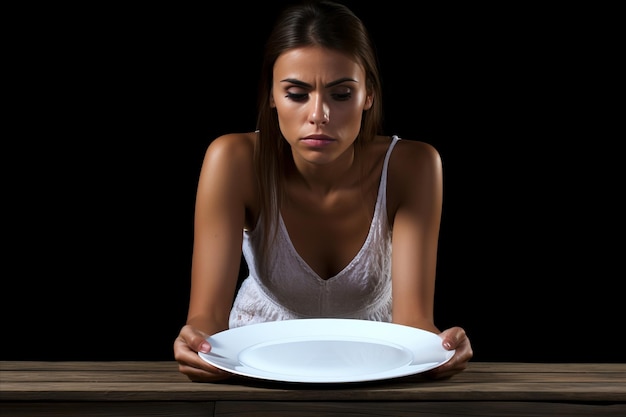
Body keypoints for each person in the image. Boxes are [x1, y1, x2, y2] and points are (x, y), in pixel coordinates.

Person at [174, 0, 473, 382]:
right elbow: (205, 321)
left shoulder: (412, 166)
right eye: (297, 94)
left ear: (369, 96)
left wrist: (440, 348)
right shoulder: (233, 160)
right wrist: (196, 343)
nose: (319, 115)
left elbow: (414, 324)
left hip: (374, 367)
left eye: (341, 94)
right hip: (256, 365)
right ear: (271, 96)